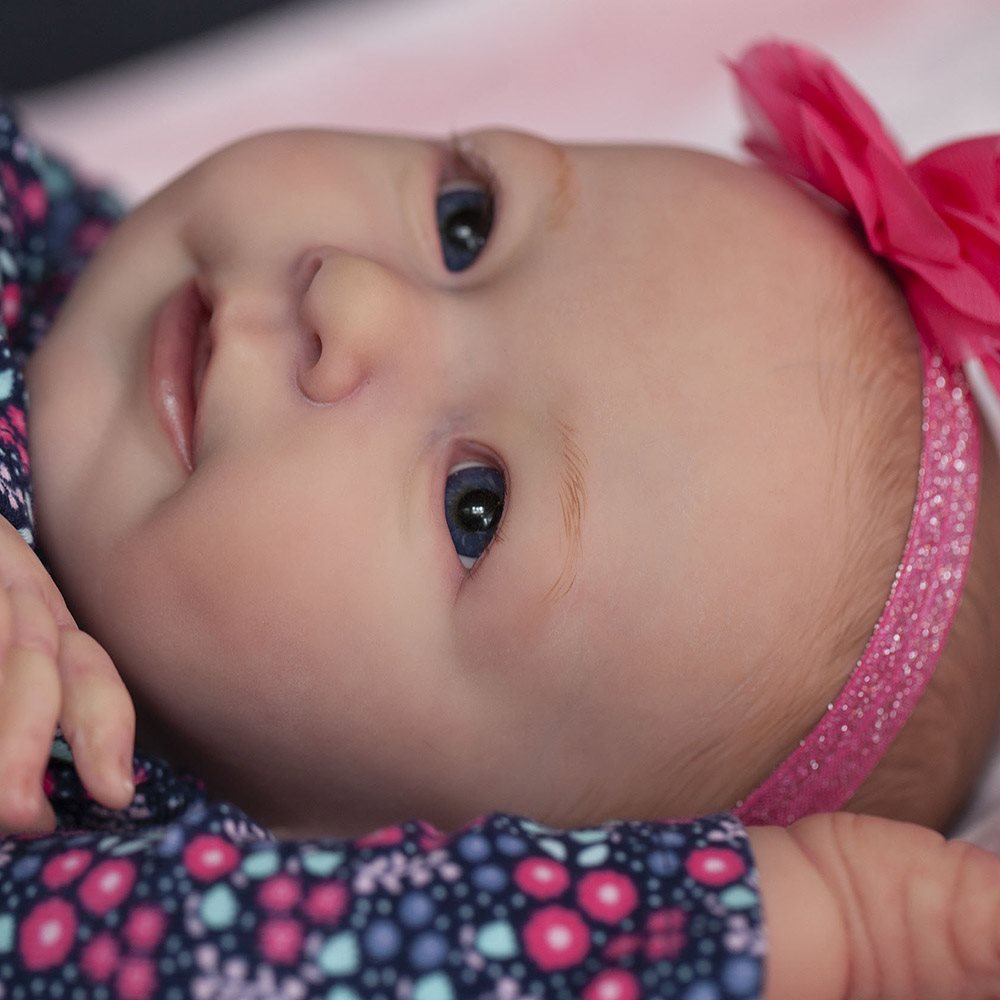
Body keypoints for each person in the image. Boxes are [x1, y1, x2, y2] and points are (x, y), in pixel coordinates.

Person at [1, 39, 1000, 998]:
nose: (352, 298)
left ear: (390, 861)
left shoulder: (110, 895)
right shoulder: (42, 233)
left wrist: (836, 922)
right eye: (464, 223)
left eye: (473, 508)